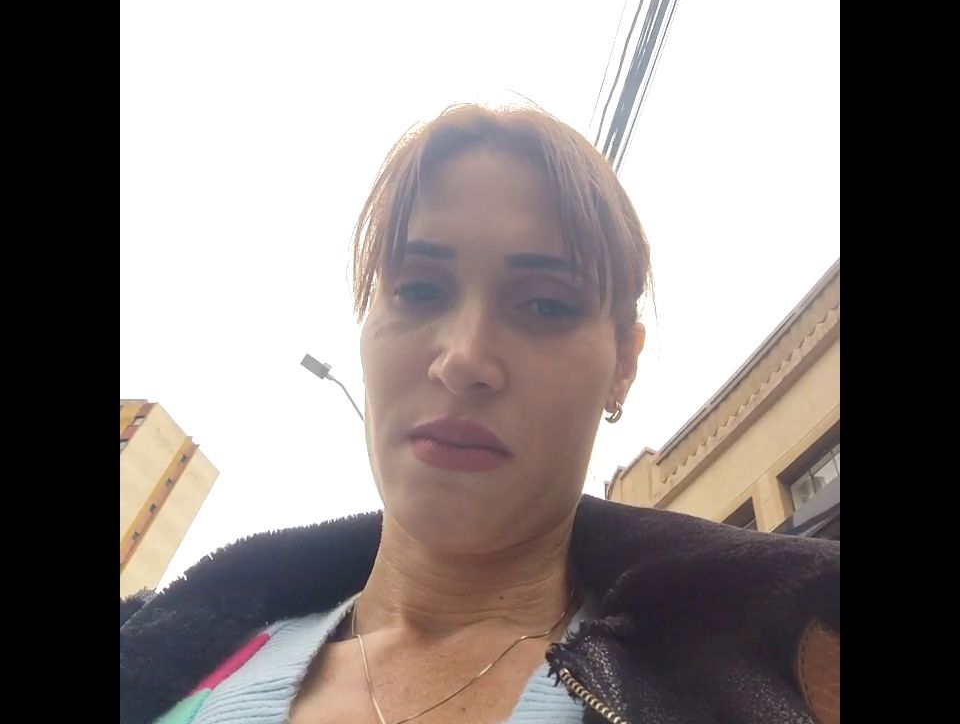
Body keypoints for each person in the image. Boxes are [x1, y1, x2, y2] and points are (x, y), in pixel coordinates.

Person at [120, 105, 840, 724]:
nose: (464, 359)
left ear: (623, 363)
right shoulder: (158, 660)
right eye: (419, 290)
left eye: (546, 305)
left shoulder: (795, 677)